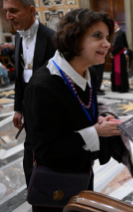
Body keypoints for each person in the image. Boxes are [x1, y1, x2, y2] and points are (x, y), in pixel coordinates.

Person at [23, 8, 121, 212]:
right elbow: (45, 150)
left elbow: (83, 109)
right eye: (97, 36)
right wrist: (95, 133)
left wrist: (102, 117)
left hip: (82, 171)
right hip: (54, 181)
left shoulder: (89, 73)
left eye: (107, 37)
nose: (107, 44)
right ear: (74, 39)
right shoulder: (43, 86)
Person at [3, 0, 55, 187]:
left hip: (50, 114)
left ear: (31, 10)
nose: (8, 16)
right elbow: (20, 79)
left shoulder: (51, 38)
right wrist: (18, 108)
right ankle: (36, 195)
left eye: (13, 11)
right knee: (30, 160)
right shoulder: (17, 37)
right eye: (6, 11)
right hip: (29, 111)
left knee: (49, 159)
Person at [110, 22, 129, 92]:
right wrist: (111, 52)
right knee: (116, 72)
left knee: (119, 71)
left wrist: (112, 53)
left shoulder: (121, 33)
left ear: (115, 26)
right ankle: (116, 87)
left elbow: (120, 46)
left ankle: (121, 88)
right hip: (116, 55)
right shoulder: (116, 34)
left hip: (119, 56)